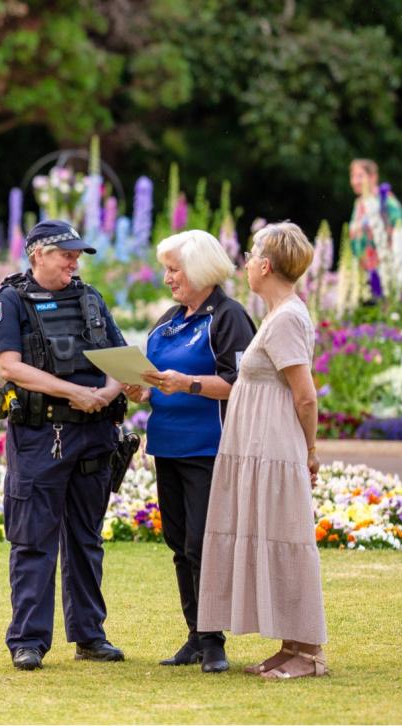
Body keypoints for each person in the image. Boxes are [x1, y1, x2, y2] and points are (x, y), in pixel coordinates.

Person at [0, 219, 129, 672]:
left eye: (77, 254)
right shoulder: (10, 303)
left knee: (86, 539)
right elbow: (11, 367)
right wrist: (72, 393)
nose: (73, 261)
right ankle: (27, 640)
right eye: (65, 253)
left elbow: (120, 357)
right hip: (40, 437)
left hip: (94, 435)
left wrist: (107, 393)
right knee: (34, 542)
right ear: (36, 255)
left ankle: (90, 635)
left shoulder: (90, 299)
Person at [197, 221, 328, 680]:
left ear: (266, 265)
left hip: (276, 449)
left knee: (287, 540)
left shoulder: (288, 317)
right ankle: (290, 645)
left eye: (251, 256)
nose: (246, 263)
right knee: (272, 536)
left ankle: (309, 653)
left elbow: (305, 395)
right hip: (257, 447)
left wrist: (309, 450)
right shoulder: (278, 315)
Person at [121, 230, 256, 673]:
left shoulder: (228, 317)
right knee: (179, 542)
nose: (167, 279)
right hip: (168, 447)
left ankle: (213, 640)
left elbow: (242, 385)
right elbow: (157, 380)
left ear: (199, 271)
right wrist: (140, 389)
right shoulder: (170, 318)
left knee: (203, 543)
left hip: (208, 448)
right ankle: (195, 635)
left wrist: (190, 384)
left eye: (174, 270)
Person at [347, 158, 402, 299]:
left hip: (385, 272)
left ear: (373, 177)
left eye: (360, 176)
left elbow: (399, 233)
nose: (355, 181)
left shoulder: (386, 200)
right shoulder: (358, 203)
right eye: (353, 176)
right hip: (362, 273)